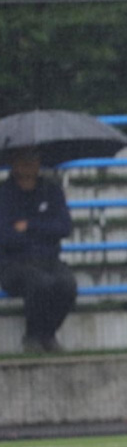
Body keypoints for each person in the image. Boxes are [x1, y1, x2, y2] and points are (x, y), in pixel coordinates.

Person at [0, 147, 77, 353]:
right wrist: (43, 233)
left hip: (49, 260)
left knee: (68, 285)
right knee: (40, 283)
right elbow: (6, 236)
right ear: (13, 161)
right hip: (13, 264)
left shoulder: (52, 190)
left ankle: (48, 334)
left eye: (33, 158)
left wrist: (30, 226)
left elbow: (64, 227)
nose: (29, 163)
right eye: (23, 158)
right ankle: (32, 336)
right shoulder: (3, 194)